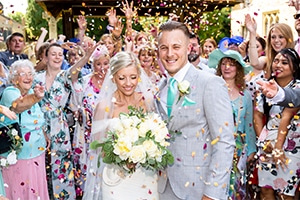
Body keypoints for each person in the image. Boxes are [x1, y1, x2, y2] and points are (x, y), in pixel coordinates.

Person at [155, 21, 235, 200]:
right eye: (164, 47)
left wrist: (212, 194)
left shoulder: (209, 83)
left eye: (176, 46)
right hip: (163, 188)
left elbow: (224, 141)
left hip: (199, 190)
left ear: (188, 48)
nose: (169, 54)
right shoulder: (159, 88)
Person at [83, 51, 156, 199]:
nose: (128, 83)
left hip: (145, 175)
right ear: (113, 77)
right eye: (122, 78)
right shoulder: (104, 106)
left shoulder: (146, 101)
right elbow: (96, 148)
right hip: (115, 177)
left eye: (133, 77)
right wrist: (123, 155)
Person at [33, 41, 99, 199]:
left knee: (61, 165)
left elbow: (76, 68)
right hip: (38, 126)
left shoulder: (65, 76)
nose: (57, 57)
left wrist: (88, 55)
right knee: (40, 165)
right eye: (53, 54)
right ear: (46, 57)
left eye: (60, 54)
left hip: (59, 127)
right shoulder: (37, 78)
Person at [253, 48, 300, 200]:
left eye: (285, 63)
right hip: (268, 144)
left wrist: (278, 148)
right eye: (276, 61)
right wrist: (264, 141)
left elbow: (287, 115)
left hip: (292, 147)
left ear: (295, 67)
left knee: (287, 194)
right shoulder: (265, 86)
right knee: (266, 191)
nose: (278, 65)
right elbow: (258, 115)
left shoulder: (297, 88)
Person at [210, 49, 257, 199]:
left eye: (231, 64)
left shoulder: (246, 95)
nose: (227, 67)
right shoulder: (212, 91)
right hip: (214, 147)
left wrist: (251, 149)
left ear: (238, 69)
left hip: (237, 151)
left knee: (235, 190)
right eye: (224, 64)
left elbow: (249, 124)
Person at [0, 59, 49, 199]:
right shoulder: (10, 92)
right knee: (21, 192)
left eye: (30, 73)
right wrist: (35, 97)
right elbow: (18, 106)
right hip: (18, 157)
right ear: (15, 78)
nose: (28, 77)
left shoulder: (32, 93)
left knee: (35, 192)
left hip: (37, 154)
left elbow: (36, 120)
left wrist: (44, 134)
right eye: (23, 74)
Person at [72, 45, 110, 197]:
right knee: (88, 167)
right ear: (92, 65)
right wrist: (80, 112)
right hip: (87, 134)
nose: (102, 68)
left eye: (105, 63)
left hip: (107, 133)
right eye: (98, 64)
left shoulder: (115, 82)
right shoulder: (85, 81)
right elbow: (75, 103)